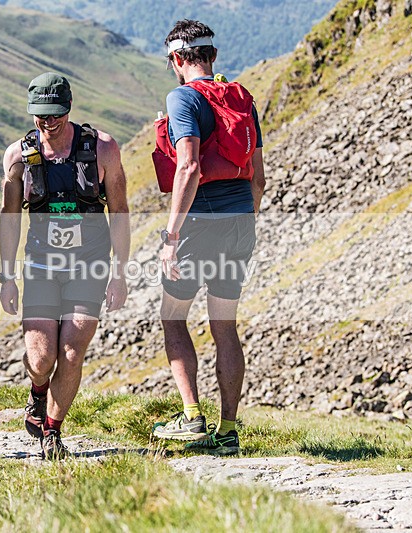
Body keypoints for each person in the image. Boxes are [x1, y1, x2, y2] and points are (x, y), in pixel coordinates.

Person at [0, 73, 130, 459]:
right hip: (41, 265)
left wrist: (120, 273)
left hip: (89, 265)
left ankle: (53, 430)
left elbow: (120, 212)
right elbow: (10, 218)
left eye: (55, 113)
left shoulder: (102, 148)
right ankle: (38, 391)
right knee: (41, 359)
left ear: (69, 108)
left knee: (72, 352)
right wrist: (6, 278)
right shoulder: (17, 156)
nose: (47, 121)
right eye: (40, 114)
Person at [151, 20, 266, 455]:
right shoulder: (242, 98)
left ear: (177, 60)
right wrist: (243, 221)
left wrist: (171, 235)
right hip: (240, 219)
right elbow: (259, 178)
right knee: (225, 326)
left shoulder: (182, 97)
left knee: (173, 316)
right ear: (212, 56)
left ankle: (192, 417)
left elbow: (188, 167)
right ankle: (229, 430)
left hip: (201, 220)